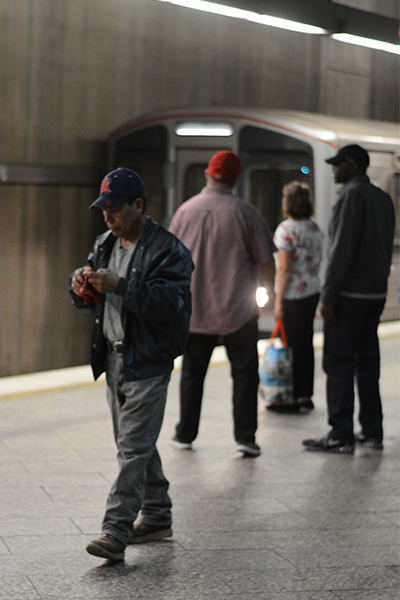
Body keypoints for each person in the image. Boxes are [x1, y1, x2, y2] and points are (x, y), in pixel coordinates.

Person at [68, 168, 193, 561]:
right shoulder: (105, 243)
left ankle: (115, 530)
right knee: (136, 444)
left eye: (115, 210)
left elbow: (167, 306)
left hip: (148, 361)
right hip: (113, 356)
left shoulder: (168, 250)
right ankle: (156, 515)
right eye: (104, 209)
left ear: (138, 205)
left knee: (133, 449)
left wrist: (121, 286)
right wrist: (80, 286)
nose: (108, 217)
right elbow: (90, 298)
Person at [169, 151, 276, 458]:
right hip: (238, 312)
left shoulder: (184, 212)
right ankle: (245, 437)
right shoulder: (245, 213)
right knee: (244, 373)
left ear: (207, 173)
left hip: (194, 310)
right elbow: (266, 260)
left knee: (192, 373)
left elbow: (168, 259)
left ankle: (185, 434)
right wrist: (268, 290)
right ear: (235, 177)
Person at [303, 145, 395, 454]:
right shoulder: (384, 199)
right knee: (368, 364)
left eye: (338, 164)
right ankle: (373, 431)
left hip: (349, 296)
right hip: (375, 294)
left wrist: (327, 297)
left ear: (352, 166)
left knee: (339, 363)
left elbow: (340, 251)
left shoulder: (349, 197)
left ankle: (340, 434)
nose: (334, 168)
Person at [270, 181, 323, 412]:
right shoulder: (314, 227)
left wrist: (278, 301)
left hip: (292, 294)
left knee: (290, 345)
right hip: (312, 291)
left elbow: (284, 269)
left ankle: (289, 395)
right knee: (305, 343)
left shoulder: (286, 229)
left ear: (288, 204)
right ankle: (305, 395)